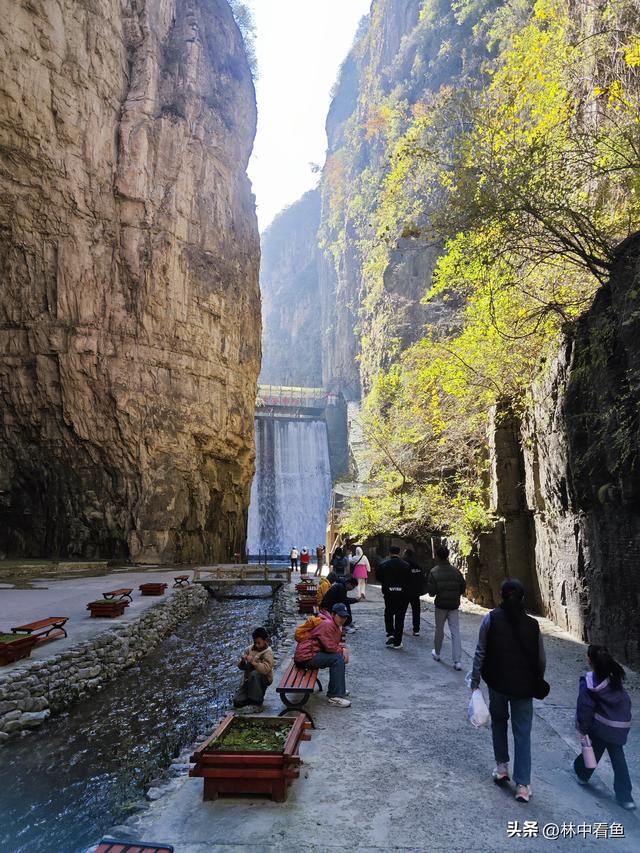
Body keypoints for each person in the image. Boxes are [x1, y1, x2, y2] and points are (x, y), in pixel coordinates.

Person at [470, 579, 547, 803]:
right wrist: (537, 680)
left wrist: (475, 680)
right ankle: (523, 785)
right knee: (522, 733)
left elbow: (480, 651)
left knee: (499, 722)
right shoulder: (533, 625)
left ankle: (502, 767)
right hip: (523, 686)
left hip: (498, 683)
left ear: (501, 596)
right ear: (522, 598)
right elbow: (541, 659)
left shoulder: (491, 619)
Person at [573, 644, 635, 809]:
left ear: (590, 660)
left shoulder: (588, 683)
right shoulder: (615, 682)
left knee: (594, 749)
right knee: (619, 761)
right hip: (619, 727)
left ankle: (582, 774)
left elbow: (585, 708)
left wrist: (583, 728)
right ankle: (625, 797)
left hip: (600, 728)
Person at [294, 602, 351, 707]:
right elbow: (330, 647)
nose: (342, 619)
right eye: (340, 616)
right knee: (337, 659)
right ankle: (334, 696)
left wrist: (342, 650)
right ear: (333, 614)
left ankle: (339, 690)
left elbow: (331, 645)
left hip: (309, 654)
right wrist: (343, 651)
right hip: (305, 657)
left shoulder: (331, 623)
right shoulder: (328, 624)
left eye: (345, 617)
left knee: (338, 657)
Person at [426, 545, 466, 669]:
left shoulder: (434, 571)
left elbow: (431, 592)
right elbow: (462, 587)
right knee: (455, 632)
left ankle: (437, 653)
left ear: (437, 556)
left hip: (441, 605)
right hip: (453, 605)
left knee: (439, 630)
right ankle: (457, 661)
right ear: (448, 555)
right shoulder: (456, 571)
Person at [377, 545, 411, 649]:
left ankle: (390, 633)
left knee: (389, 613)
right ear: (399, 553)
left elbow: (379, 577)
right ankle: (397, 642)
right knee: (400, 617)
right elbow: (410, 580)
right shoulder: (406, 565)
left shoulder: (384, 565)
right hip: (403, 594)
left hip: (389, 593)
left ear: (389, 553)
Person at [233, 627, 275, 709]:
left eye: (259, 643)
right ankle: (250, 697)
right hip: (249, 680)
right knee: (237, 701)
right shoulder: (249, 649)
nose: (256, 645)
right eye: (255, 642)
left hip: (263, 679)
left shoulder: (268, 652)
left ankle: (256, 701)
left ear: (265, 640)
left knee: (254, 674)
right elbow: (241, 667)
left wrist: (253, 662)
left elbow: (266, 670)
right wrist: (242, 661)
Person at [404, 548, 425, 635]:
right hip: (415, 592)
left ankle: (399, 627)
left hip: (405, 591)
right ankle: (416, 630)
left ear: (406, 554)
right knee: (416, 611)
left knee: (402, 611)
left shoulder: (404, 564)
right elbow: (422, 578)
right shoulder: (418, 565)